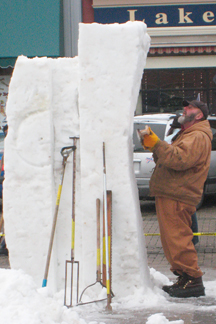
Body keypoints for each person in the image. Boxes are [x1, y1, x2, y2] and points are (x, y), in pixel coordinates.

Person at [139, 100, 212, 298]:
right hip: (173, 192)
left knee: (178, 238)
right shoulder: (187, 134)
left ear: (198, 116)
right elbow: (171, 158)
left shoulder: (197, 135)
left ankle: (193, 280)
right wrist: (155, 147)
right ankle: (184, 277)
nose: (185, 109)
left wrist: (158, 144)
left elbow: (179, 159)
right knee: (172, 239)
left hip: (178, 194)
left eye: (190, 108)